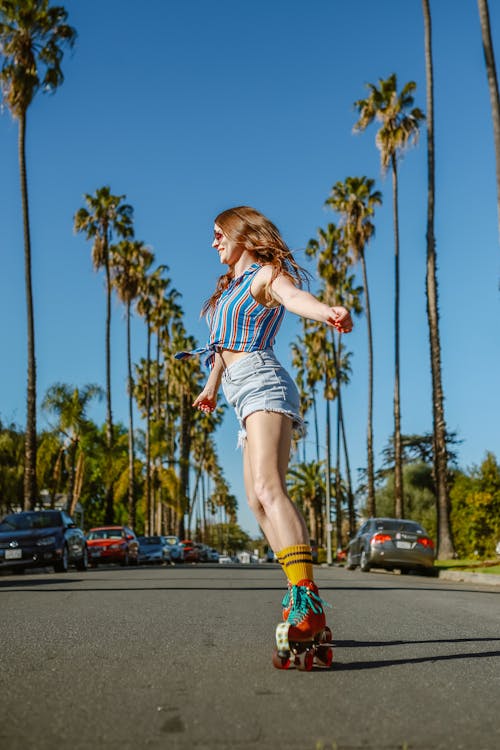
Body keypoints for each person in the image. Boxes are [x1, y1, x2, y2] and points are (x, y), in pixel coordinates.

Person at [175, 206, 353, 665]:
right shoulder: (230, 289)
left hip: (262, 382)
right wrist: (211, 387)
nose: (214, 243)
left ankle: (306, 600)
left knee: (270, 490)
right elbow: (219, 348)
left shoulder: (264, 275)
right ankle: (300, 595)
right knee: (255, 500)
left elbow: (294, 299)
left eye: (219, 234)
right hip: (239, 391)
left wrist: (326, 312)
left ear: (243, 236)